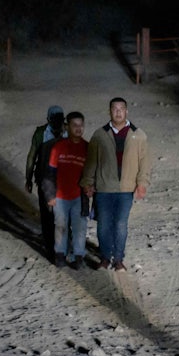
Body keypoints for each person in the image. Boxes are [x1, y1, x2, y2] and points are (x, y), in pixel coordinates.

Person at [80, 97, 151, 272]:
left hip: (126, 189)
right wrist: (88, 183)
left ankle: (118, 259)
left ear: (127, 111)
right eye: (114, 109)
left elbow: (145, 162)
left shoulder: (138, 135)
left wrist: (142, 183)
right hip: (104, 188)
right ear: (109, 111)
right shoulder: (99, 135)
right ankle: (105, 257)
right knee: (103, 224)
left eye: (121, 108)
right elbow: (91, 162)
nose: (118, 112)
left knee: (120, 224)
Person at [42, 111, 89, 268]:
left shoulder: (88, 148)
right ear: (67, 126)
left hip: (79, 197)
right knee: (60, 226)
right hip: (60, 196)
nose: (78, 128)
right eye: (74, 125)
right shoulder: (58, 148)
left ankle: (79, 257)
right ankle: (60, 255)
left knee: (79, 227)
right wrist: (50, 194)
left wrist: (91, 189)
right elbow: (49, 174)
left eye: (81, 125)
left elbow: (91, 174)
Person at [25, 105, 66, 257]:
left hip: (55, 180)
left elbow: (31, 157)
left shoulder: (41, 133)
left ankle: (53, 247)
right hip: (48, 180)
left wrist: (28, 178)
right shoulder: (62, 132)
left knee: (50, 216)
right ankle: (56, 247)